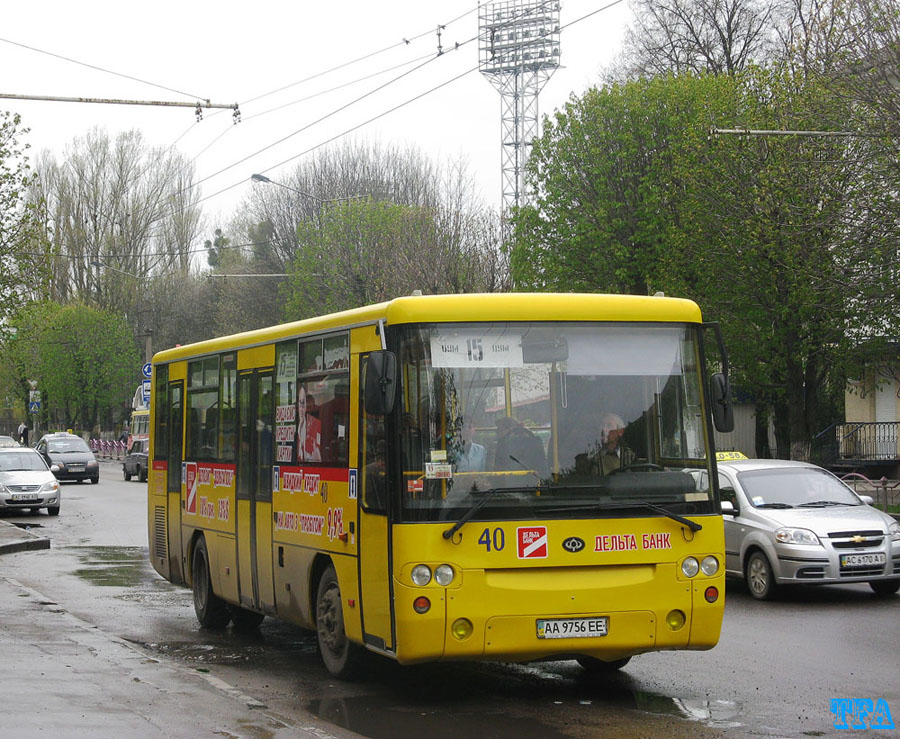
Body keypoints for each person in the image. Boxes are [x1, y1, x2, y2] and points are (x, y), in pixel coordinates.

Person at [296, 384, 322, 462]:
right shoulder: (296, 426)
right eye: (300, 403)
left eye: (303, 403)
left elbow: (318, 458)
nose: (301, 408)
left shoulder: (314, 426)